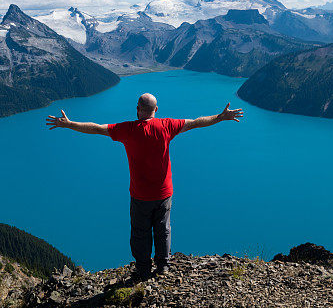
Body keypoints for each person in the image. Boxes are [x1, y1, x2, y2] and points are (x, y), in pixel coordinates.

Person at [45, 93, 243, 280]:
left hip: (140, 196)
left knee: (140, 232)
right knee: (163, 229)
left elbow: (97, 128)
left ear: (138, 108)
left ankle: (142, 268)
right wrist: (221, 117)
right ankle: (163, 266)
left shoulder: (127, 130)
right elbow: (195, 122)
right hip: (164, 193)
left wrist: (70, 124)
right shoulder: (167, 126)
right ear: (156, 108)